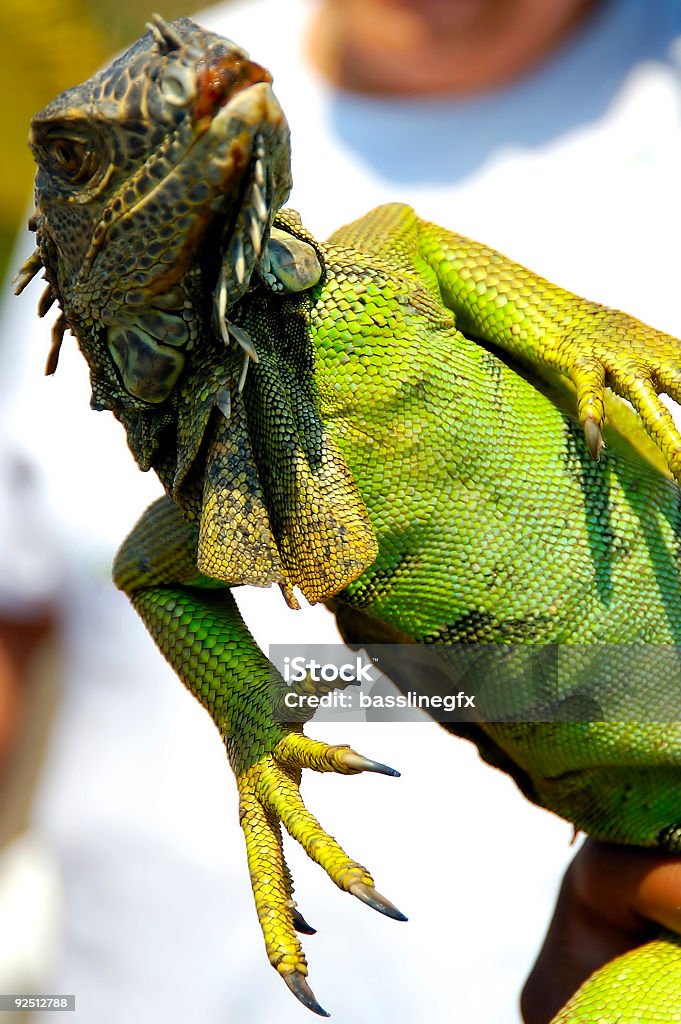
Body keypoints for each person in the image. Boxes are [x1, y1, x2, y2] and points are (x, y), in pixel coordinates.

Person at [2, 1, 681, 1021]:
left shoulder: (384, 267)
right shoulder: (174, 105)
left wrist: (585, 328)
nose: (194, 87)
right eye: (72, 157)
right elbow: (83, 594)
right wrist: (251, 717)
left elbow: (416, 243)